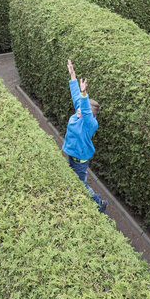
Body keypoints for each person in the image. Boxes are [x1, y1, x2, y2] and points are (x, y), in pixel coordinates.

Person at [62, 58, 108, 213]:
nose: (78, 110)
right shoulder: (79, 111)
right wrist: (73, 75)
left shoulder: (90, 123)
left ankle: (99, 203)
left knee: (82, 184)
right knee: (72, 178)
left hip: (80, 160)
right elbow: (76, 96)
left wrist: (84, 92)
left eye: (82, 108)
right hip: (73, 154)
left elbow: (85, 109)